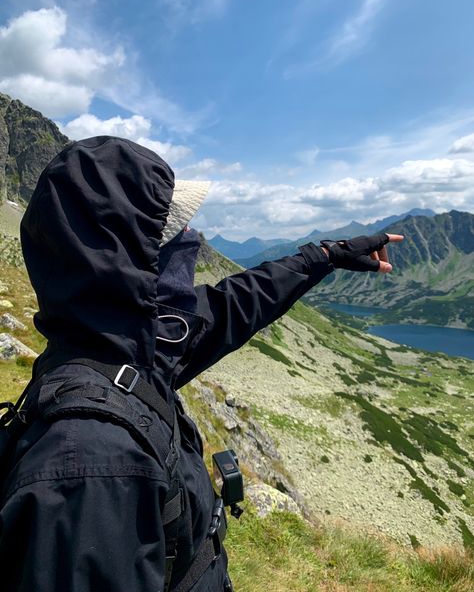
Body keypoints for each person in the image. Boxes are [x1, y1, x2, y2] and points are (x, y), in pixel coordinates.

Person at [0, 136, 403, 591]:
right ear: (126, 262)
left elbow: (234, 305)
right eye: (172, 234)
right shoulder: (91, 465)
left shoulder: (124, 351)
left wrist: (324, 256)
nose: (190, 242)